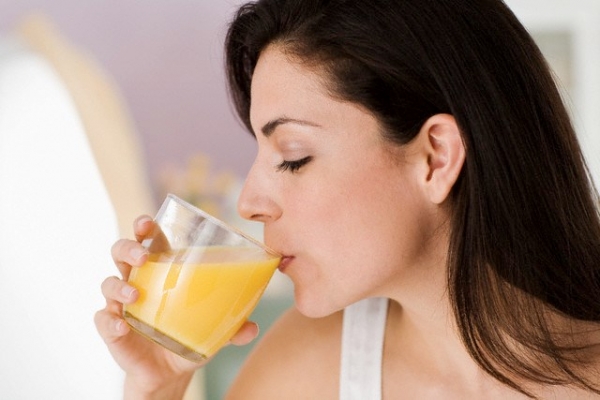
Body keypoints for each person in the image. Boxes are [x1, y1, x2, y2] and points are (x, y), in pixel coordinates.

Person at [95, 0, 600, 398]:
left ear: (436, 158)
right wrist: (158, 389)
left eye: (292, 156)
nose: (248, 202)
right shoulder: (307, 368)